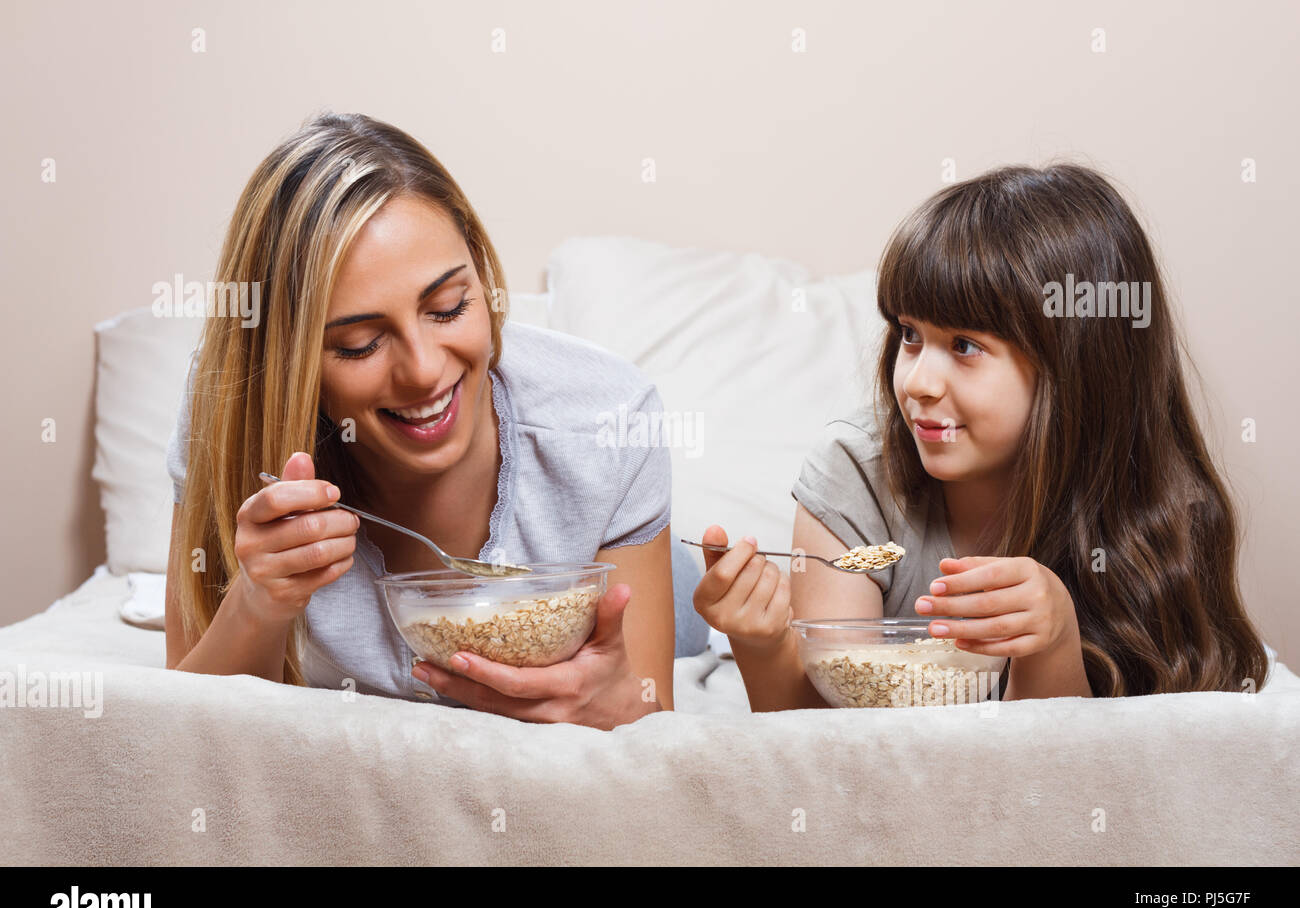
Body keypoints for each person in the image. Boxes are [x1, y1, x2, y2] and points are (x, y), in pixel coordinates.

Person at [165, 111, 702, 729]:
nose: (422, 372)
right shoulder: (232, 409)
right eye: (360, 344)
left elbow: (651, 720)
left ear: (480, 270)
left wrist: (617, 706)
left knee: (694, 621)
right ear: (288, 361)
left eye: (447, 309)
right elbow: (190, 729)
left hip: (628, 556)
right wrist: (257, 604)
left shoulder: (610, 418)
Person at [694, 163, 1274, 709]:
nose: (917, 381)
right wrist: (764, 645)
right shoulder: (857, 476)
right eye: (910, 334)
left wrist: (1051, 645)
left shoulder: (1167, 514)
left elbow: (1075, 778)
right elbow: (826, 741)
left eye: (965, 347)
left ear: (1076, 368)